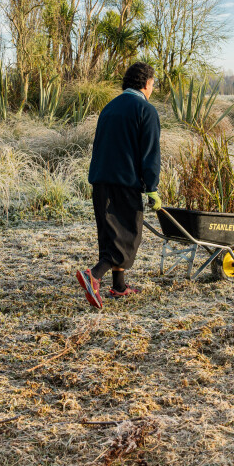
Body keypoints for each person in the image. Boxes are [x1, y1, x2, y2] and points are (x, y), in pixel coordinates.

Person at [75, 62, 161, 308]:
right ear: (145, 84)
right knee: (128, 236)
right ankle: (93, 275)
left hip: (100, 180)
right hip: (125, 182)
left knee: (110, 233)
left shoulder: (109, 108)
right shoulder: (146, 110)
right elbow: (150, 153)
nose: (152, 89)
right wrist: (152, 188)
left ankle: (119, 287)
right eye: (152, 85)